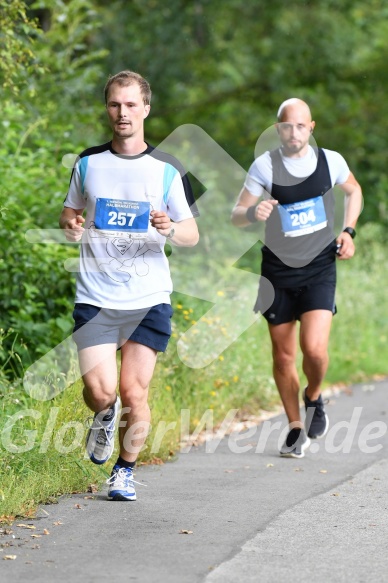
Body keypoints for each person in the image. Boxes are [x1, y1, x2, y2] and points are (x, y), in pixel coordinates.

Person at [59, 70, 199, 499]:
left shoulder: (167, 169)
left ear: (146, 109)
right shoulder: (87, 163)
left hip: (148, 297)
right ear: (108, 108)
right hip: (96, 296)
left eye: (131, 105)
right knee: (101, 392)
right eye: (115, 105)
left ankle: (124, 471)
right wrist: (70, 224)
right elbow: (69, 214)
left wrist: (170, 226)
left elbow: (192, 235)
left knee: (133, 391)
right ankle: (103, 416)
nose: (123, 113)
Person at [231, 98, 362, 458]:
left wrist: (348, 231)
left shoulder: (329, 161)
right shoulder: (264, 166)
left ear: (311, 128)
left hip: (320, 266)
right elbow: (236, 214)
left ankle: (314, 396)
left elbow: (354, 191)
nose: (294, 132)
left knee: (315, 350)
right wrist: (252, 212)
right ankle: (294, 428)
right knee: (284, 356)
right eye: (287, 126)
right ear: (278, 129)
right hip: (276, 273)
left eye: (301, 126)